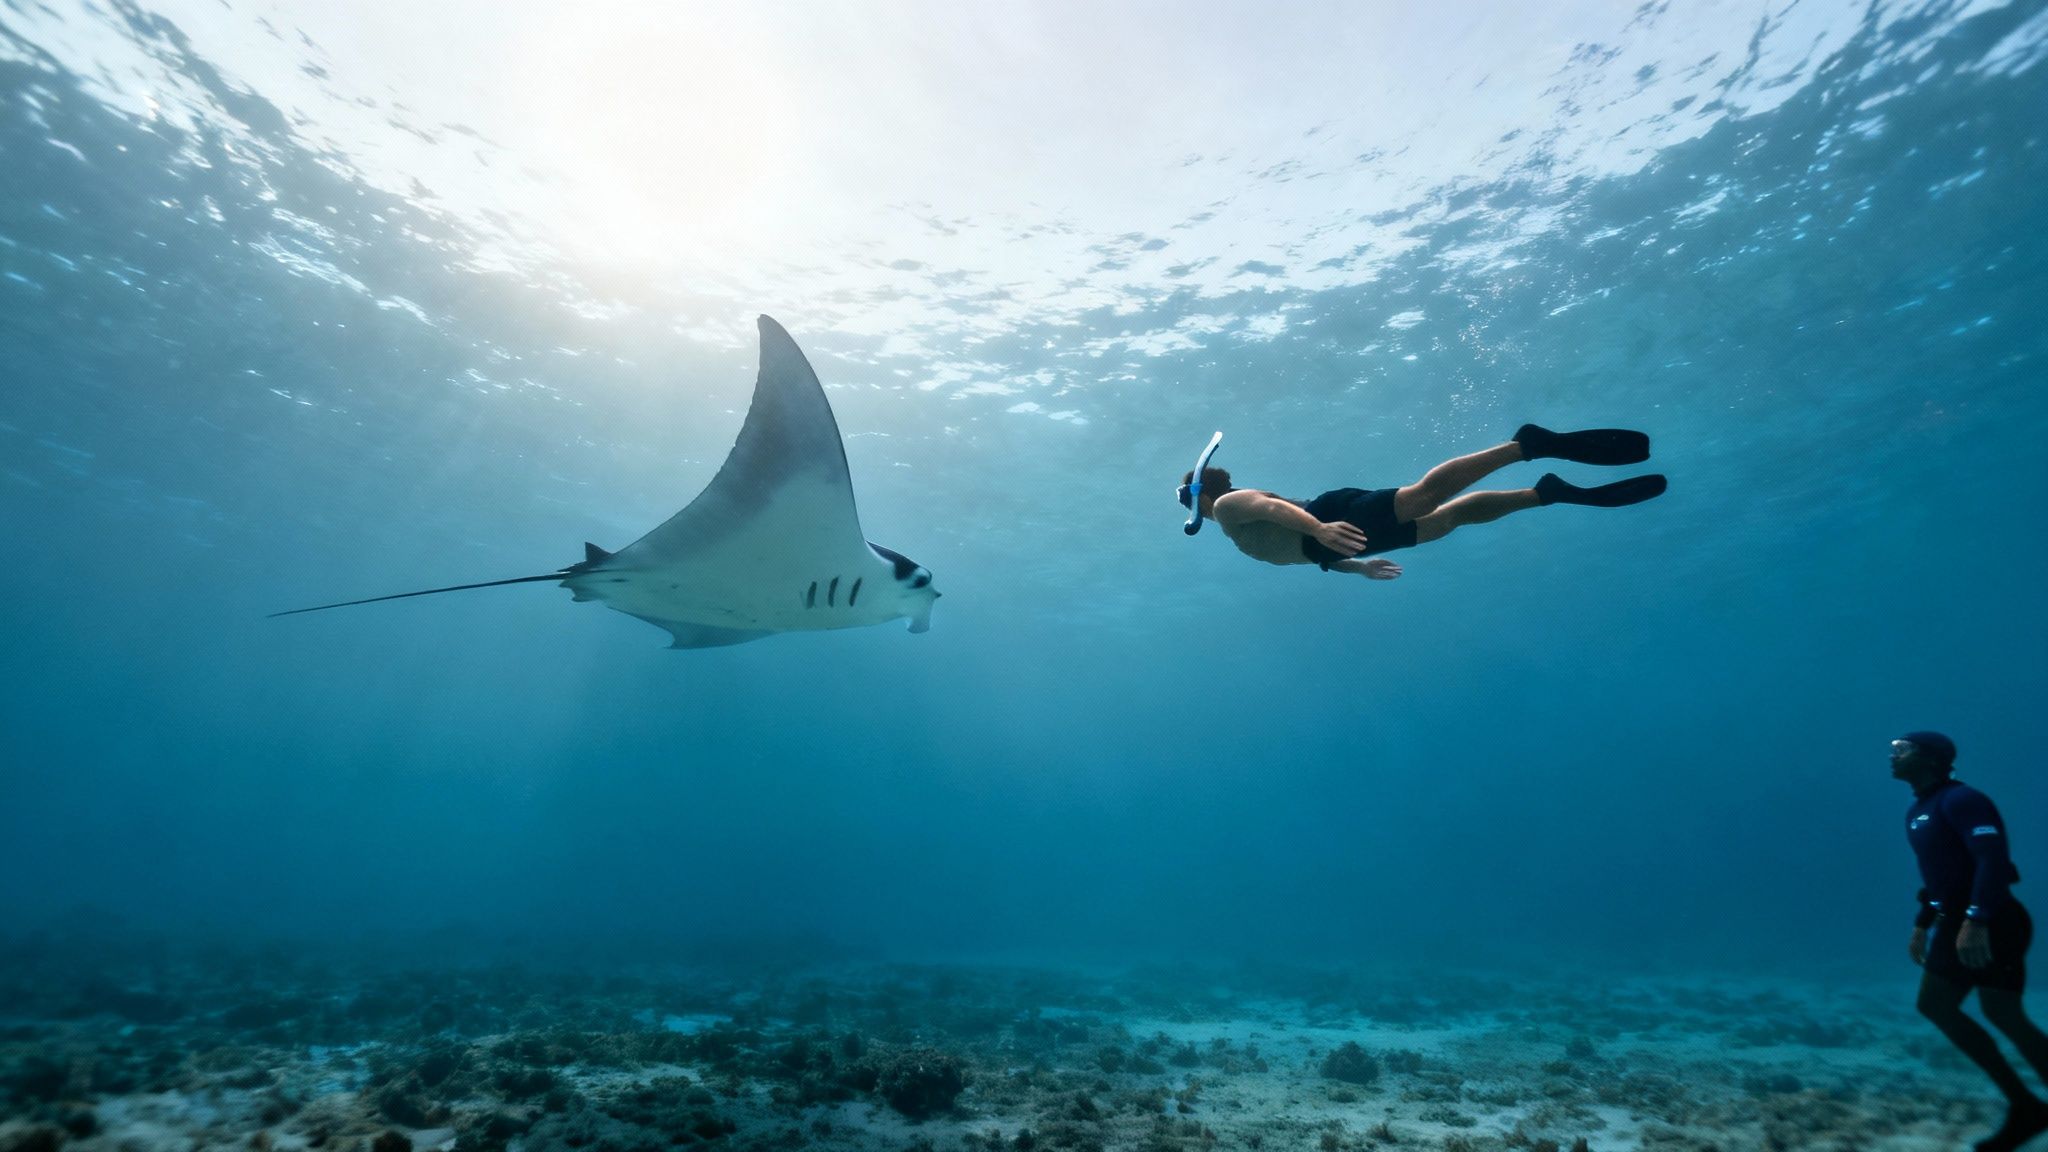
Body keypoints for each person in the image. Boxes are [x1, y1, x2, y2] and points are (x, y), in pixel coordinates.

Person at [1177, 424, 1665, 577]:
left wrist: (1321, 529)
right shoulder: (1235, 531)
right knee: (1444, 521)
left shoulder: (1227, 506)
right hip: (1334, 542)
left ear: (1200, 495)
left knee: (1422, 498)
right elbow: (1304, 554)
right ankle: (1544, 494)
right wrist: (1357, 567)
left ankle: (1525, 446)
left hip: (1328, 519)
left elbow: (1272, 509)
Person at [1894, 730, 2048, 1152]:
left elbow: (1991, 860)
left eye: (1901, 749)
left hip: (1992, 920)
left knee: (1998, 1014)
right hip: (1959, 920)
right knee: (1970, 1010)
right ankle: (2027, 1106)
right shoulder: (1919, 809)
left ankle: (2028, 1107)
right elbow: (1944, 873)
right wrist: (1924, 920)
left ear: (1930, 758)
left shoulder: (1962, 800)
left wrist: (1978, 918)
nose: (1892, 755)